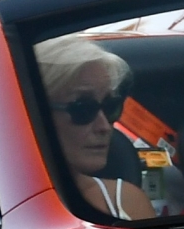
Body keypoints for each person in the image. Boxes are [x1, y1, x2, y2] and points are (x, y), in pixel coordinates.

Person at [33, 37, 156, 219]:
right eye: (83, 108)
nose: (104, 127)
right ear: (34, 112)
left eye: (110, 106)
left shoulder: (127, 203)